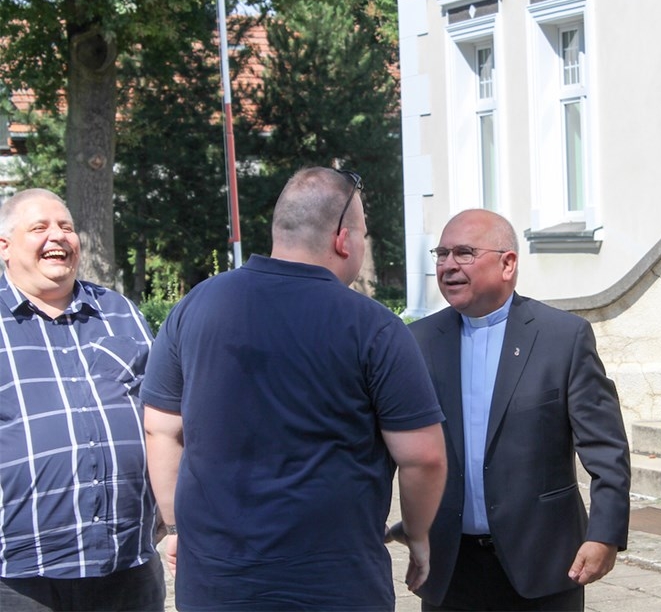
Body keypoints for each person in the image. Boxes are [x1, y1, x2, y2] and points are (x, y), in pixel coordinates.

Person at [141, 167, 447, 611]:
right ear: (343, 240)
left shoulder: (193, 308)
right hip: (334, 586)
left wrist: (175, 529)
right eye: (363, 234)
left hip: (217, 582)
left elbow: (161, 429)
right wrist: (417, 533)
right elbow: (424, 456)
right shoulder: (374, 327)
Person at [389, 208, 631, 611]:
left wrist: (604, 534)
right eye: (441, 254)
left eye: (464, 253)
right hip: (449, 569)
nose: (448, 265)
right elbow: (391, 444)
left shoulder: (562, 338)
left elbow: (606, 449)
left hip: (544, 564)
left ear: (508, 263)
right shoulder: (417, 342)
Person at [0, 189, 165, 611]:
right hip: (18, 577)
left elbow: (163, 415)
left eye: (66, 227)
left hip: (127, 563)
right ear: (4, 246)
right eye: (39, 227)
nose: (57, 236)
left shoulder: (120, 312)